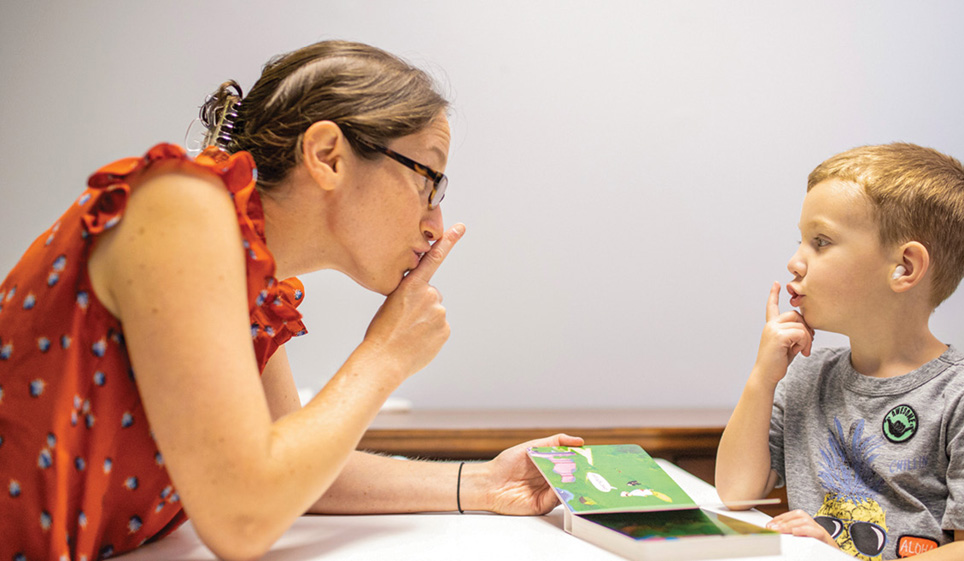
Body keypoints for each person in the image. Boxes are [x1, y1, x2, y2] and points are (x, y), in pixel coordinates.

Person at [0, 40, 582, 561]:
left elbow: (294, 477)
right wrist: (384, 356)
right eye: (428, 178)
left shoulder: (247, 271)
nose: (436, 222)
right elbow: (243, 516)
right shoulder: (180, 209)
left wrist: (484, 483)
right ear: (327, 155)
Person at [715, 143, 964, 560]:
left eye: (822, 241)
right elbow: (737, 493)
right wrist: (762, 378)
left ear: (904, 267)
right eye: (801, 241)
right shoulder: (808, 378)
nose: (795, 262)